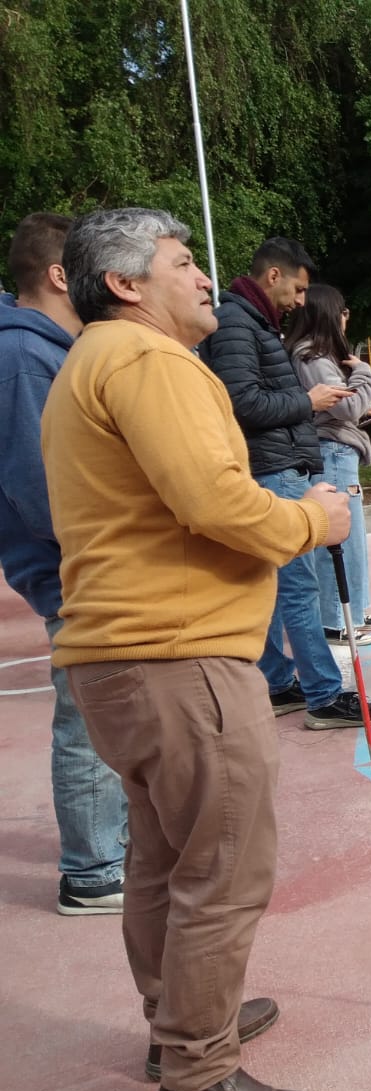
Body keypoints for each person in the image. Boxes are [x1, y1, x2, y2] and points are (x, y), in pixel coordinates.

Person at [42, 207, 352, 1091]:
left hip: (125, 656)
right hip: (180, 655)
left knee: (164, 862)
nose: (206, 278)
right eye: (183, 263)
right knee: (221, 869)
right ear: (127, 284)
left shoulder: (91, 363)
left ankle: (180, 1027)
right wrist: (310, 522)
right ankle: (199, 1072)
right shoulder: (146, 361)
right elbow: (214, 499)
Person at [199, 239, 371, 730]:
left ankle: (281, 682)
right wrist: (309, 402)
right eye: (299, 289)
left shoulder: (253, 324)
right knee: (296, 586)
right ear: (274, 277)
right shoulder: (238, 324)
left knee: (270, 582)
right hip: (273, 469)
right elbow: (245, 403)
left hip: (279, 464)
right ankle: (324, 696)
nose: (302, 301)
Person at [0, 213, 130, 916]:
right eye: (83, 270)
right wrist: (99, 548)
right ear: (58, 276)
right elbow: (34, 481)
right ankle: (91, 868)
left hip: (84, 560)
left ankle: (112, 843)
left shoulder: (48, 348)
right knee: (86, 717)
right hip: (72, 568)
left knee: (106, 709)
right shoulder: (24, 355)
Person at [287, 284, 371, 639]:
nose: (347, 317)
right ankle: (335, 620)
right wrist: (364, 373)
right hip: (330, 452)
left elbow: (341, 410)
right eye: (342, 311)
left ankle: (355, 611)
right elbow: (345, 406)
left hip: (338, 448)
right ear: (329, 314)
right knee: (339, 538)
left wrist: (360, 413)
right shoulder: (313, 357)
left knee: (352, 534)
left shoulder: (321, 357)